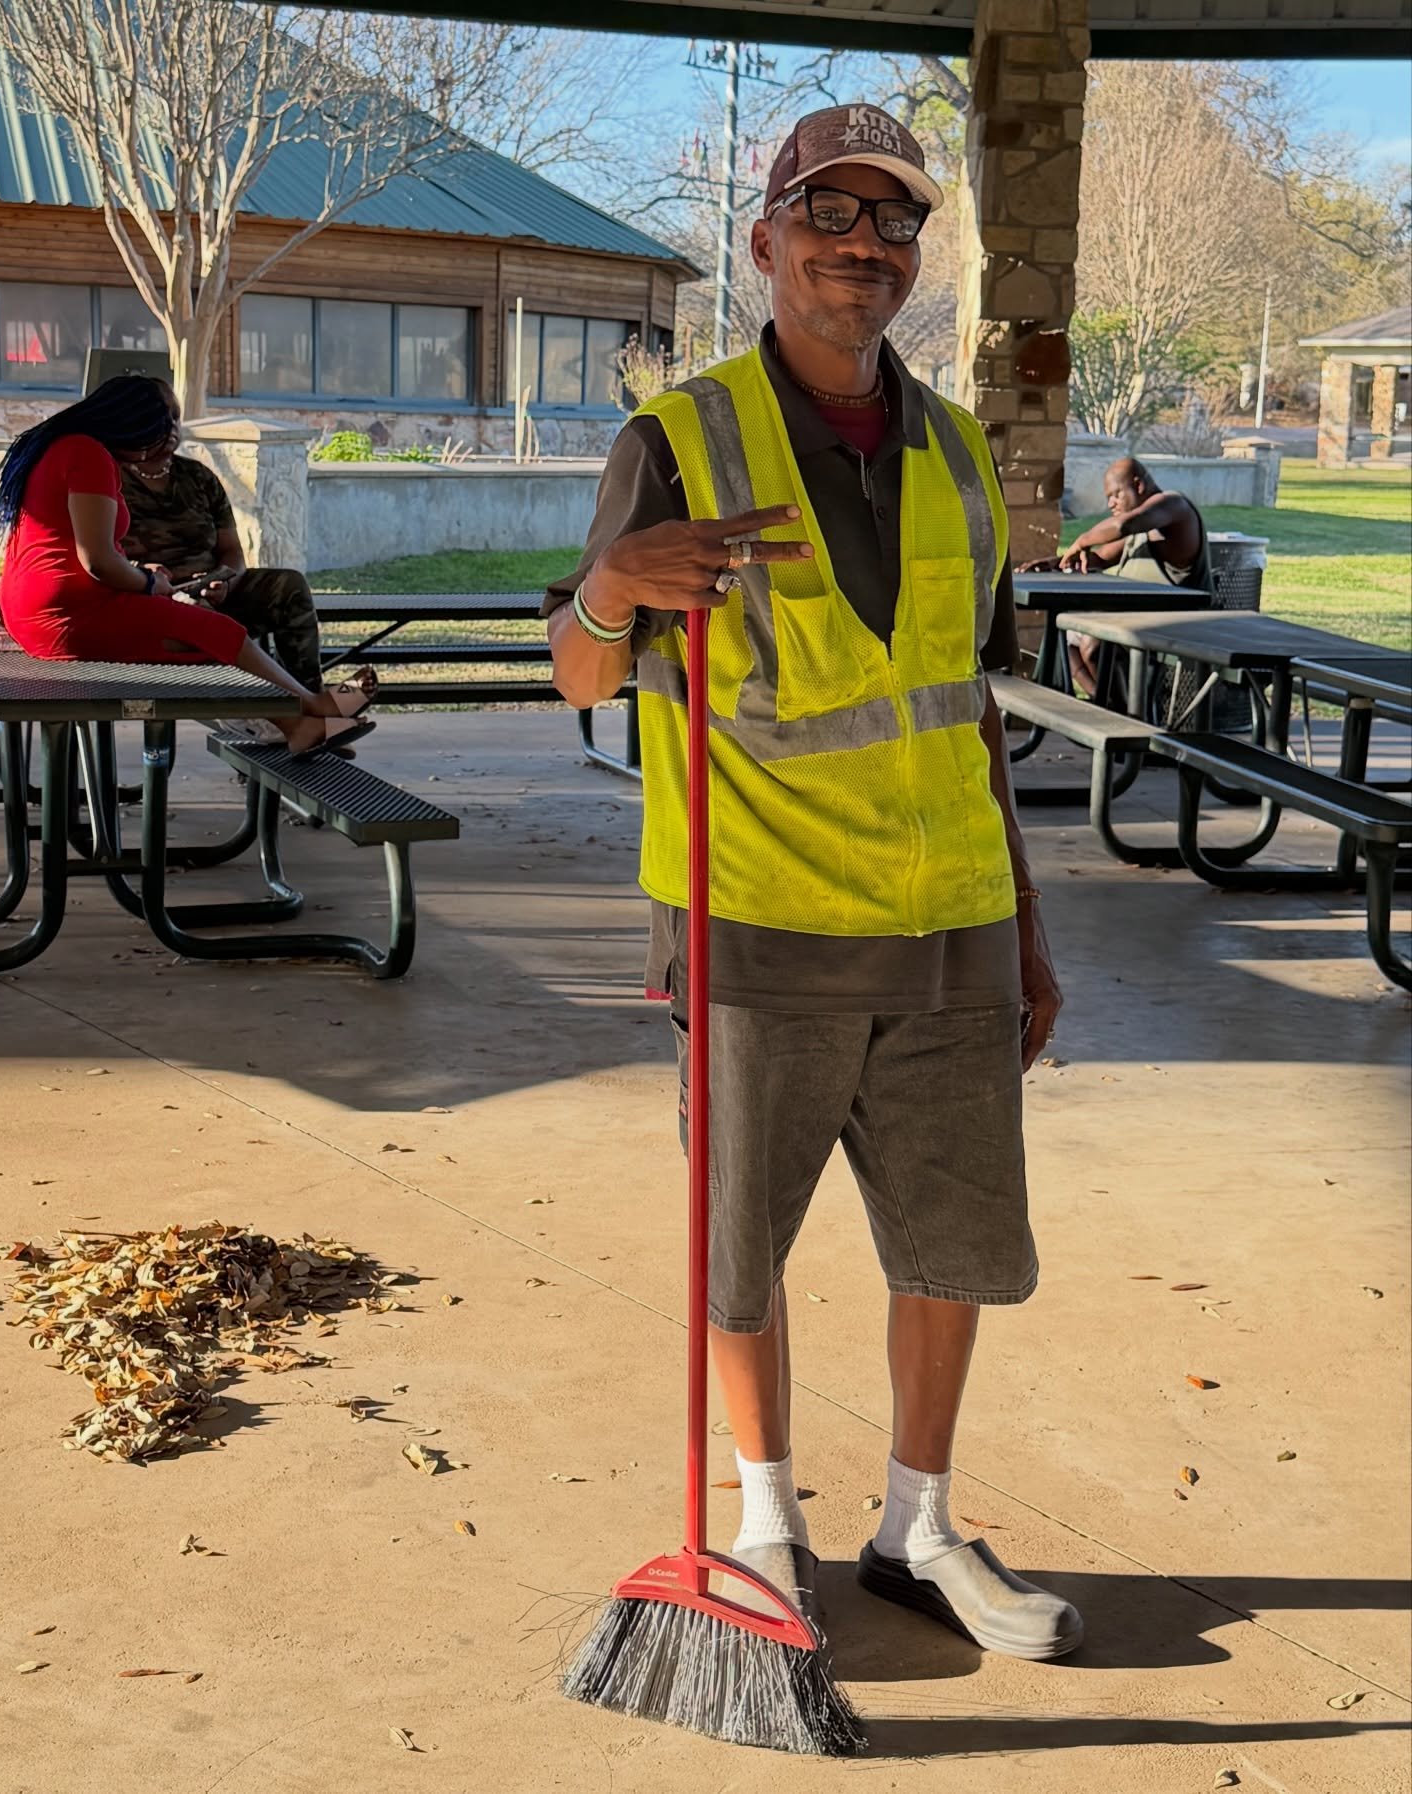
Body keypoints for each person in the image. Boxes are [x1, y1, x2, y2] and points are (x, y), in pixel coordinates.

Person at [545, 105, 1082, 1662]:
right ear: (767, 242)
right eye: (830, 215)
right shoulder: (679, 441)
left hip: (952, 931)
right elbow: (583, 676)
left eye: (894, 225)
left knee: (952, 1245)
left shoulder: (966, 451)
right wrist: (606, 588)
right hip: (757, 929)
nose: (865, 245)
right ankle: (764, 1518)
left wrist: (1030, 929)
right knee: (744, 1248)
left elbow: (966, 705)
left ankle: (917, 1521)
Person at [0, 377, 372, 756]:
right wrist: (150, 583)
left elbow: (89, 553)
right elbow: (99, 560)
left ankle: (298, 721)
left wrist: (173, 581)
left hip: (47, 612)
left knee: (213, 632)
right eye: (159, 426)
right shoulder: (89, 455)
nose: (167, 435)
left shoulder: (69, 448)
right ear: (133, 424)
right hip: (65, 616)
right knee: (213, 632)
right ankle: (309, 707)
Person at [120, 382, 328, 695]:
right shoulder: (110, 480)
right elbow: (100, 556)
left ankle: (310, 696)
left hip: (212, 590)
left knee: (289, 586)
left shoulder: (198, 477)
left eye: (176, 417)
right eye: (164, 418)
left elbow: (233, 552)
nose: (173, 427)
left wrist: (226, 581)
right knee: (198, 614)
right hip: (150, 600)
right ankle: (267, 712)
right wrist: (142, 575)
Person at [1047, 456, 1213, 696]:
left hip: (1177, 625)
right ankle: (1107, 706)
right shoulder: (1141, 528)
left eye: (1116, 494)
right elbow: (1099, 558)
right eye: (1108, 499)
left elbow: (1122, 526)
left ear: (1138, 485)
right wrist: (1053, 563)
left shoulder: (1174, 507)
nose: (1111, 504)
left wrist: (1081, 540)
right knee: (1061, 633)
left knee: (1095, 645)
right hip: (1135, 619)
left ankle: (1119, 715)